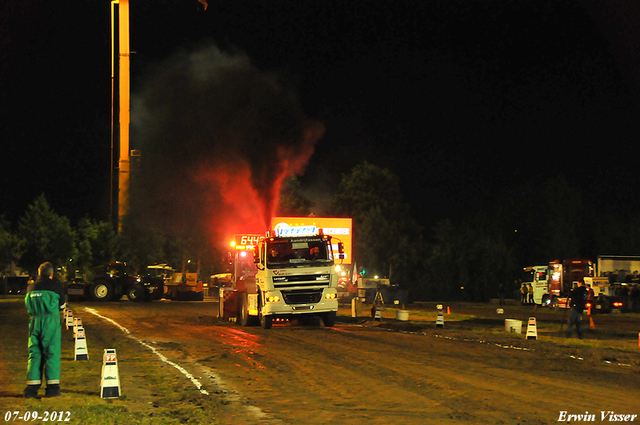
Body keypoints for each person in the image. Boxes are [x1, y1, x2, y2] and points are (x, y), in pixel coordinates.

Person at [24, 262, 66, 398]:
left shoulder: (30, 288)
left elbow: (27, 305)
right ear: (51, 274)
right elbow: (62, 306)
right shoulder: (55, 287)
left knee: (34, 353)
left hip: (35, 322)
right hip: (50, 322)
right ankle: (52, 389)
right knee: (51, 353)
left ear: (39, 272)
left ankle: (31, 389)